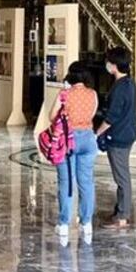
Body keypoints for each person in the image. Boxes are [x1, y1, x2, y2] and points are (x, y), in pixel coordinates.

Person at [49, 63, 99, 244]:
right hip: (88, 139)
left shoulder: (64, 95)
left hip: (67, 140)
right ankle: (87, 223)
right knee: (86, 183)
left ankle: (64, 224)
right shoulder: (92, 94)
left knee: (67, 182)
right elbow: (92, 114)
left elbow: (52, 116)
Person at [96, 48, 135, 229]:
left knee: (122, 178)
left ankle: (123, 216)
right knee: (122, 176)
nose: (107, 64)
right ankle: (120, 210)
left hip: (119, 136)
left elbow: (112, 117)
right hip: (126, 133)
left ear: (114, 65)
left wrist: (97, 132)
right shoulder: (128, 83)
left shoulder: (120, 88)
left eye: (109, 62)